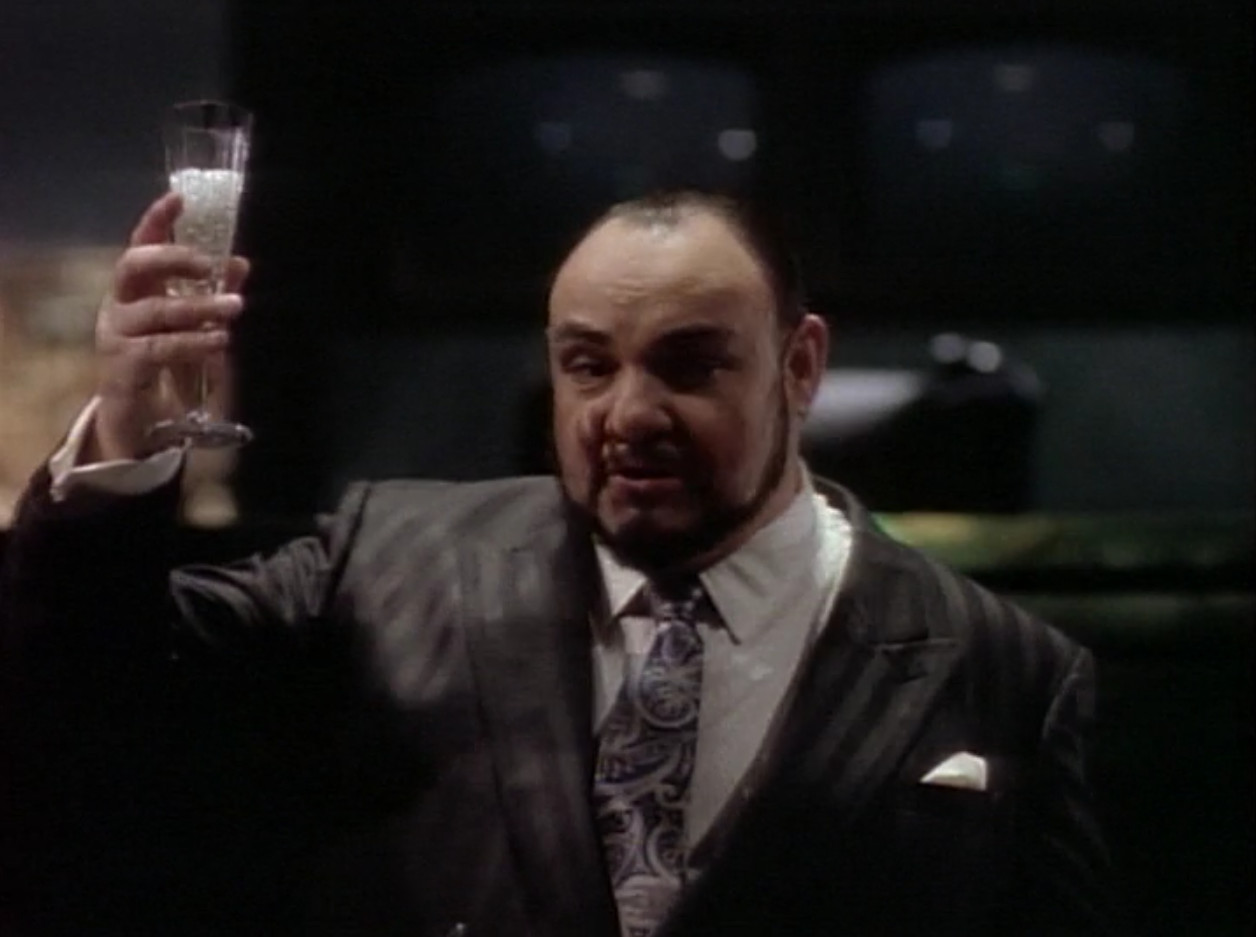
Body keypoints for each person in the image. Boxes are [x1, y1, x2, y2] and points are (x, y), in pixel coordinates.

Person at [0, 189, 1109, 936]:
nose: (628, 412)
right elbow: (89, 669)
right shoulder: (393, 557)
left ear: (800, 365)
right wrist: (127, 432)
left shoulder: (1002, 669)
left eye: (688, 365)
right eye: (588, 365)